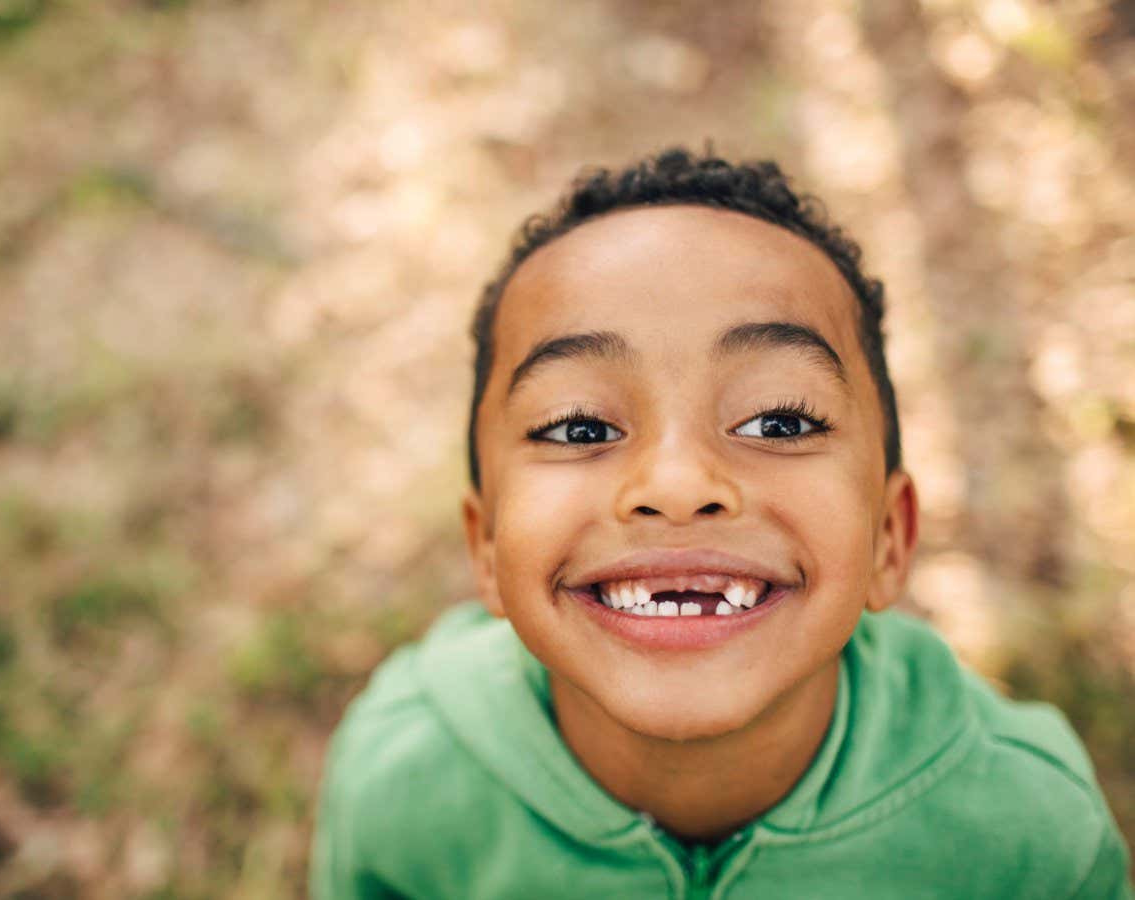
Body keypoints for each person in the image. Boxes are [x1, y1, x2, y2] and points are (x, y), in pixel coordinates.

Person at [310, 148, 1133, 899]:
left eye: (779, 421)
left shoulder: (1029, 836)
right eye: (580, 428)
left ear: (889, 536)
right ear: (486, 548)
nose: (677, 485)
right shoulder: (400, 783)